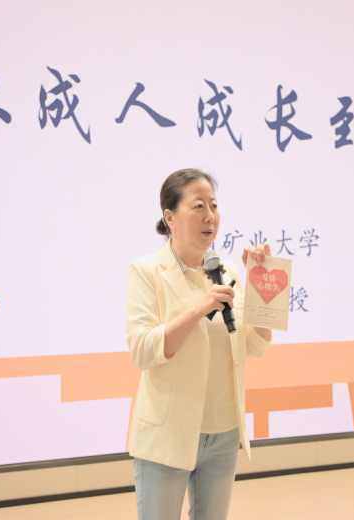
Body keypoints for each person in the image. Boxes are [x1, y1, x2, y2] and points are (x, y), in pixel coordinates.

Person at [125, 168, 273, 520]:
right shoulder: (146, 271)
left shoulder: (228, 272)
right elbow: (142, 351)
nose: (210, 216)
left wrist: (261, 287)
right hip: (168, 433)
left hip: (224, 434)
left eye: (214, 206)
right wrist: (198, 308)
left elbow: (255, 346)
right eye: (198, 206)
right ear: (170, 218)